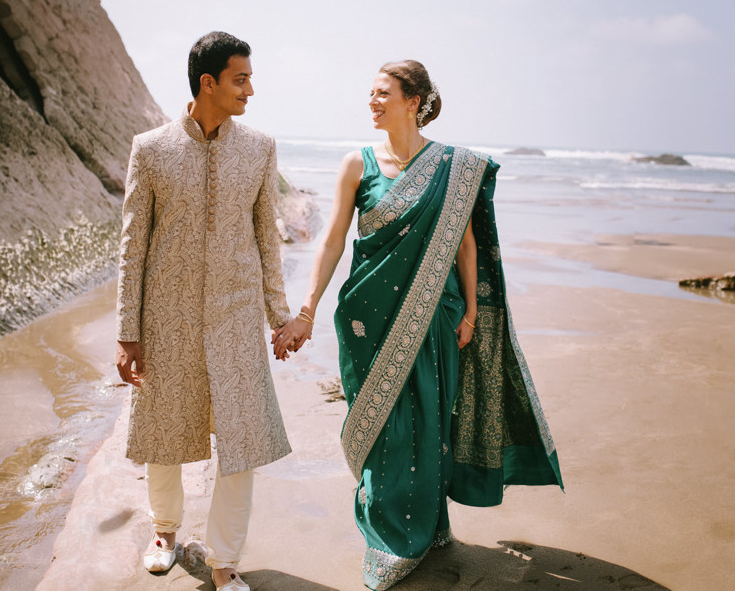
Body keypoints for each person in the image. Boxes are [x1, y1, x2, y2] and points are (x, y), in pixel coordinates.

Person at [274, 60, 563, 590]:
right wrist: (308, 309)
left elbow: (466, 243)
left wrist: (472, 311)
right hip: (368, 317)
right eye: (370, 93)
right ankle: (391, 536)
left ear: (414, 100)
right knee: (384, 425)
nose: (372, 101)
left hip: (437, 315)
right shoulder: (356, 164)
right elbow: (333, 240)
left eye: (383, 93)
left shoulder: (454, 167)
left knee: (429, 417)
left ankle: (423, 529)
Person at [116, 31, 295, 590]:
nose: (250, 89)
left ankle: (224, 561)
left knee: (239, 441)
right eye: (240, 79)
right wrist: (128, 331)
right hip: (165, 317)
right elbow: (132, 246)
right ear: (208, 82)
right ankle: (166, 530)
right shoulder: (151, 149)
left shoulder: (260, 147)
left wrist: (279, 316)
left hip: (236, 316)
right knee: (164, 431)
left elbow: (268, 237)